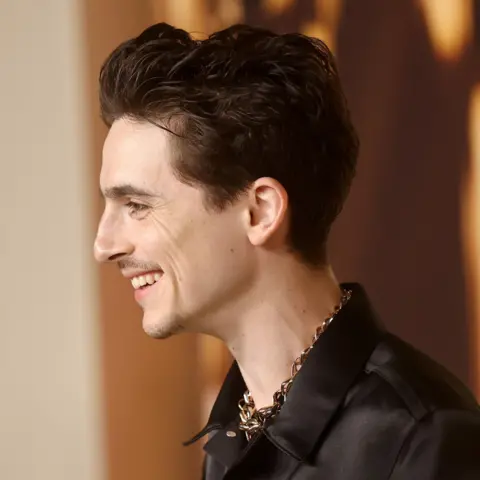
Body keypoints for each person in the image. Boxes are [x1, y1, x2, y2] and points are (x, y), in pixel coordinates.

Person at [94, 22, 480, 479]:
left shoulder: (423, 439)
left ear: (260, 211)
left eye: (136, 205)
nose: (104, 246)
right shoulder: (231, 437)